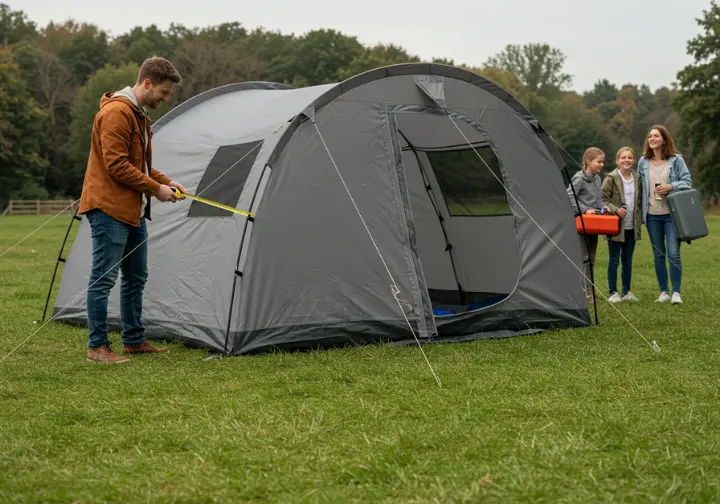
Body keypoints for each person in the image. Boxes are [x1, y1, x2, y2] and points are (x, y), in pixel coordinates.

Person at [78, 56, 187, 363]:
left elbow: (140, 165)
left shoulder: (138, 114)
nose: (166, 99)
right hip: (109, 209)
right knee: (104, 279)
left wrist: (167, 182)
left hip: (133, 211)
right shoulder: (116, 113)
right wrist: (156, 190)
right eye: (163, 92)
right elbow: (116, 166)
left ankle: (133, 341)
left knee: (136, 277)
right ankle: (97, 347)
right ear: (147, 83)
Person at [637, 125, 692, 305]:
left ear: (664, 139)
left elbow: (687, 181)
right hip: (652, 214)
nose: (652, 138)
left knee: (674, 253)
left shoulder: (676, 160)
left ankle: (676, 292)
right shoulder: (643, 162)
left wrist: (671, 186)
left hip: (672, 214)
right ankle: (663, 292)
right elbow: (639, 188)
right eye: (650, 136)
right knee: (658, 254)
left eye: (656, 136)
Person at [567, 147, 609, 302]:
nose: (602, 164)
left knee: (591, 257)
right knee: (584, 258)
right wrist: (585, 210)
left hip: (593, 224)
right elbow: (569, 197)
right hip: (581, 223)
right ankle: (583, 293)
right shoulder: (579, 178)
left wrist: (603, 208)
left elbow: (598, 200)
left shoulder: (597, 179)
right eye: (599, 161)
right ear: (588, 161)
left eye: (602, 161)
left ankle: (590, 293)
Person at [602, 147, 641, 303]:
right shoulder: (611, 178)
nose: (626, 160)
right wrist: (616, 209)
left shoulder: (637, 177)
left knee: (627, 261)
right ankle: (613, 292)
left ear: (634, 160)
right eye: (623, 158)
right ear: (617, 160)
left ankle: (626, 292)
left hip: (632, 226)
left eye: (630, 158)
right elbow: (603, 199)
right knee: (614, 260)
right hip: (615, 226)